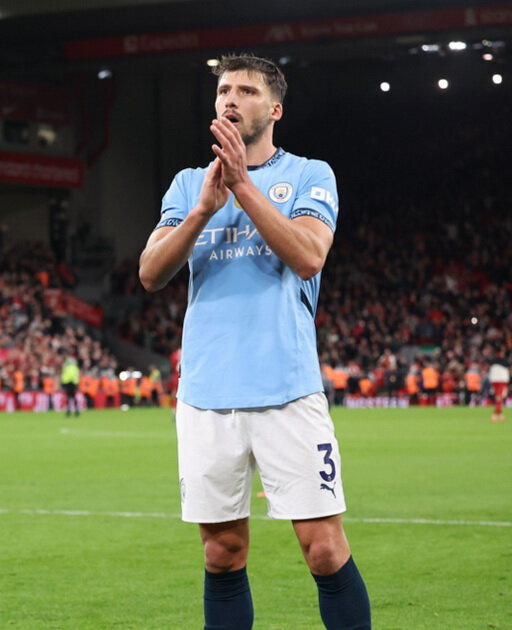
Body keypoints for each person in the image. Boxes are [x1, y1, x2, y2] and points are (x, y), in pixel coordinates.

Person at [138, 55, 371, 629]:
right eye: (223, 90)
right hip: (206, 394)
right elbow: (150, 272)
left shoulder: (311, 174)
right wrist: (202, 211)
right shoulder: (189, 184)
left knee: (323, 547)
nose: (230, 99)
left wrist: (243, 185)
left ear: (275, 109)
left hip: (286, 388)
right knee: (222, 553)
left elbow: (309, 256)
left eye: (246, 90)